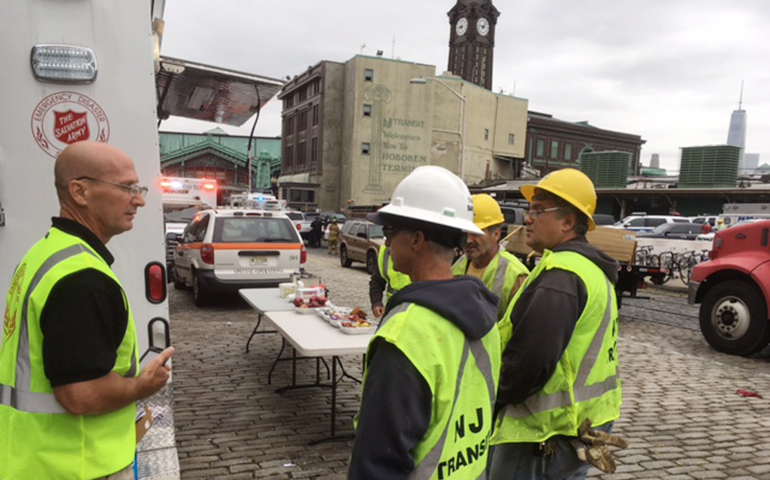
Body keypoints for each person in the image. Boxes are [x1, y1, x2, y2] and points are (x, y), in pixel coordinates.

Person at [0, 141, 174, 480]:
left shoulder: (47, 253)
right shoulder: (81, 278)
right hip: (76, 465)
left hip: (37, 458)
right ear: (80, 191)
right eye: (127, 188)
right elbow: (80, 395)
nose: (139, 199)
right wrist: (144, 385)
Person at [349, 166, 501, 479]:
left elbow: (378, 461)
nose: (387, 244)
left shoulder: (405, 334)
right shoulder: (484, 317)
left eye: (390, 232)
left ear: (417, 240)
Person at [488, 169, 623, 480]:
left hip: (543, 433)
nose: (528, 219)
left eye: (538, 210)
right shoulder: (591, 270)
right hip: (583, 424)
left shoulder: (561, 275)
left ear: (568, 222)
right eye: (529, 210)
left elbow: (530, 361)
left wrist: (492, 397)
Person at [452, 194, 529, 317]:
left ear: (496, 234)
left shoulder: (515, 275)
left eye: (475, 233)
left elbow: (519, 327)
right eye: (465, 233)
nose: (468, 240)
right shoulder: (458, 264)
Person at [369, 244, 411, 318]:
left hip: (416, 310)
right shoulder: (385, 251)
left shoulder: (423, 250)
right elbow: (377, 281)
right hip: (392, 310)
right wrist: (377, 303)